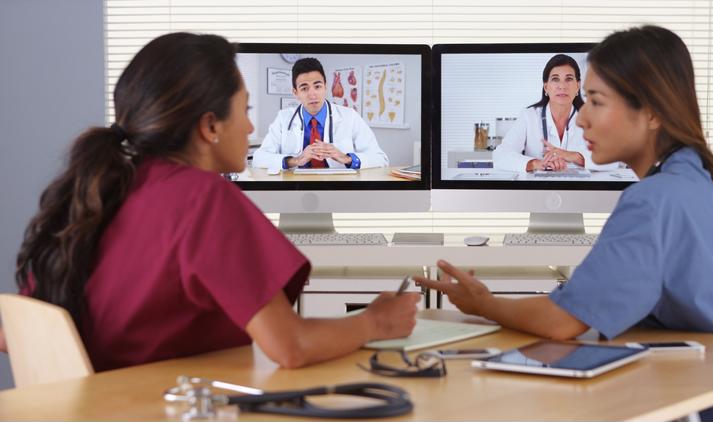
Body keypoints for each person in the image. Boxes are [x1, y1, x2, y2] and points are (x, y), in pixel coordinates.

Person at [417, 26, 713, 422]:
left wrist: (480, 302)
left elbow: (561, 323)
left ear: (651, 113)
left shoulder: (652, 202)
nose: (582, 120)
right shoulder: (709, 186)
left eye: (595, 101)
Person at [8, 33, 418, 372]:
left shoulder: (96, 187)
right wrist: (375, 321)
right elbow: (291, 345)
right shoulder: (204, 198)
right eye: (245, 109)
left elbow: (15, 333)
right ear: (210, 126)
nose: (252, 125)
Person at [252, 57, 389, 170]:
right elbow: (258, 158)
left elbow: (380, 158)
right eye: (304, 88)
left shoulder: (349, 116)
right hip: (296, 189)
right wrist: (295, 160)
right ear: (296, 93)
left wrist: (345, 158)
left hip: (338, 188)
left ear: (326, 86)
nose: (312, 94)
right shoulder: (283, 118)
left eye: (317, 86)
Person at [493, 53, 617, 173]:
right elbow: (500, 156)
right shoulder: (529, 116)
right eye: (555, 79)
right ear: (546, 87)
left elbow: (613, 158)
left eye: (569, 79)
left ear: (578, 86)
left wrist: (575, 156)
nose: (562, 86)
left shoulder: (592, 117)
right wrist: (536, 163)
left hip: (581, 190)